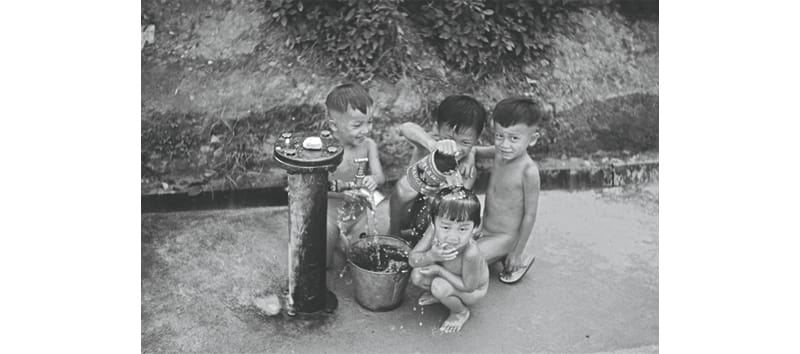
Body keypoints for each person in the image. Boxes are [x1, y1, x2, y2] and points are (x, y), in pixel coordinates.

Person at [388, 95, 486, 245]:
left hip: (437, 223)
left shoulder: (466, 168)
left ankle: (430, 246)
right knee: (402, 188)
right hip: (408, 215)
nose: (455, 148)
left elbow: (456, 208)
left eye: (465, 142)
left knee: (456, 201)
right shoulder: (429, 146)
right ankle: (394, 236)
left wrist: (470, 154)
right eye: (449, 139)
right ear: (437, 128)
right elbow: (405, 128)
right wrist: (431, 144)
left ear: (477, 139)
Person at [472, 96, 544, 284]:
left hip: (504, 236)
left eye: (514, 138)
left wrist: (517, 252)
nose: (504, 144)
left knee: (466, 262)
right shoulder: (499, 152)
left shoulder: (528, 171)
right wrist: (467, 156)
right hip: (483, 226)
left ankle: (509, 258)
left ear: (533, 139)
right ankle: (495, 256)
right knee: (448, 248)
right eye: (499, 136)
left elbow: (530, 215)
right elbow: (474, 151)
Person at [409, 186, 488, 333]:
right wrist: (431, 256)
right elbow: (413, 260)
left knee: (439, 286)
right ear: (433, 223)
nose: (453, 236)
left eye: (463, 229)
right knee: (417, 275)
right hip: (451, 278)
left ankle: (460, 312)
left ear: (475, 228)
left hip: (473, 291)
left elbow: (469, 287)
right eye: (445, 227)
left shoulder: (471, 253)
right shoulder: (432, 231)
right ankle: (442, 296)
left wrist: (439, 270)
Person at [324, 83, 386, 269]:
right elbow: (318, 187)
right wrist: (341, 195)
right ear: (334, 126)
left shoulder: (368, 145)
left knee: (383, 220)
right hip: (332, 211)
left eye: (370, 122)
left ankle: (351, 247)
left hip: (358, 210)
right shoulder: (326, 150)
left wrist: (373, 180)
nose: (366, 130)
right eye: (358, 125)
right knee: (325, 237)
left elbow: (380, 177)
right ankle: (331, 251)